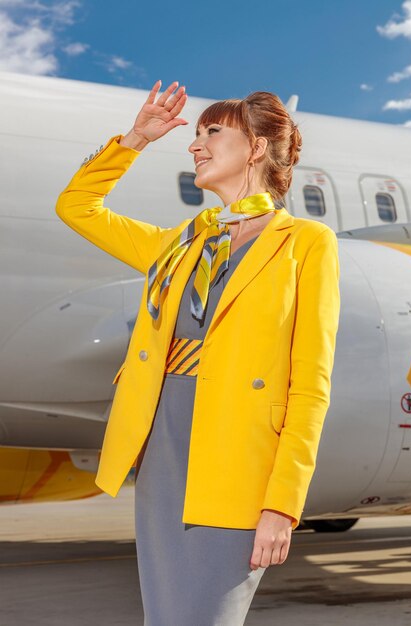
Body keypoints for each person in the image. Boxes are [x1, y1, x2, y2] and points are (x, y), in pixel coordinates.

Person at [55, 79, 341, 625]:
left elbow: (310, 386)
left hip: (238, 464)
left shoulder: (306, 243)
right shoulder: (180, 243)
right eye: (197, 132)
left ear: (256, 147)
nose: (195, 143)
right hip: (163, 453)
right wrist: (136, 138)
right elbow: (77, 206)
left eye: (213, 131)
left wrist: (282, 504)